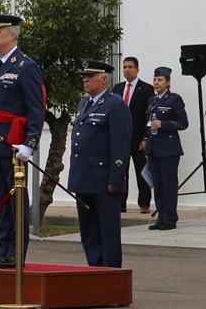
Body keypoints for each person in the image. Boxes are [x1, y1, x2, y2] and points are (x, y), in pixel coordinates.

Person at [0, 13, 45, 269]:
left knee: (15, 199)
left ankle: (17, 253)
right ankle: (3, 250)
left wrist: (30, 143)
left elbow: (36, 108)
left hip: (13, 144)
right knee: (0, 199)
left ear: (12, 34)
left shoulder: (25, 66)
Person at [70, 59, 130, 268]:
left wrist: (116, 177)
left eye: (90, 76)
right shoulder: (84, 103)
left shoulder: (115, 105)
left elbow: (121, 145)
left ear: (104, 79)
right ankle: (94, 270)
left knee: (108, 230)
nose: (85, 80)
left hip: (104, 180)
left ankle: (111, 275)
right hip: (83, 178)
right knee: (88, 231)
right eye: (84, 76)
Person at [142, 66, 188, 231]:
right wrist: (146, 142)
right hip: (154, 149)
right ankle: (161, 217)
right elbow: (148, 124)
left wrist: (164, 124)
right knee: (158, 185)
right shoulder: (152, 101)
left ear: (168, 82)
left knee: (168, 185)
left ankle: (170, 218)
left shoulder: (174, 100)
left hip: (169, 149)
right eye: (155, 80)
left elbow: (183, 123)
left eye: (160, 80)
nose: (156, 83)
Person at [113, 56, 155, 214]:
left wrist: (146, 137)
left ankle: (144, 203)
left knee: (141, 172)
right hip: (120, 138)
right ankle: (120, 203)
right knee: (120, 171)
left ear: (137, 69)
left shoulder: (146, 89)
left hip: (138, 139)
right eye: (124, 67)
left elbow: (149, 116)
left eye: (130, 67)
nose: (127, 70)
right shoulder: (117, 88)